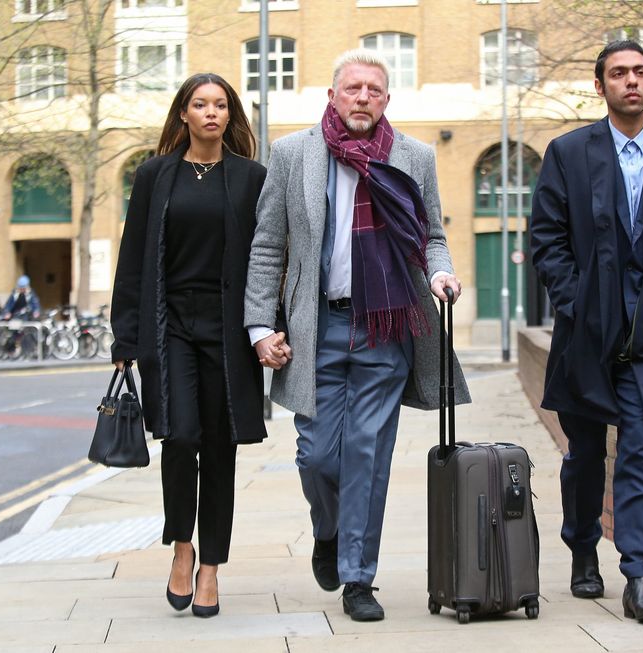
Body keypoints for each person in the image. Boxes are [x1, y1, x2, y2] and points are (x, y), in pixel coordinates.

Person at [244, 49, 469, 622]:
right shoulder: (293, 153)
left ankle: (358, 579)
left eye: (374, 89)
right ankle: (329, 531)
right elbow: (268, 245)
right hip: (316, 326)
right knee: (318, 457)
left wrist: (440, 270)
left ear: (387, 100)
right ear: (333, 96)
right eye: (353, 89)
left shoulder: (413, 157)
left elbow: (433, 234)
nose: (363, 97)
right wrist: (260, 326)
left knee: (367, 455)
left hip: (384, 325)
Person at [529, 40, 643, 622]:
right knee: (585, 453)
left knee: (641, 450)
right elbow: (547, 239)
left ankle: (639, 576)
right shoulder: (568, 153)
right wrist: (575, 303)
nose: (630, 81)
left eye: (639, 72)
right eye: (618, 74)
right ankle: (583, 547)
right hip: (587, 333)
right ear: (601, 85)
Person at [110, 73, 267, 619]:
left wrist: (268, 328)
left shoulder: (251, 178)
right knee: (178, 439)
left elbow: (267, 260)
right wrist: (124, 334)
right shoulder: (156, 175)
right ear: (183, 113)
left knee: (220, 448)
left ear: (230, 115)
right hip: (169, 323)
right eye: (200, 104)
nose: (210, 113)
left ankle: (211, 568)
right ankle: (182, 548)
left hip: (227, 330)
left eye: (220, 105)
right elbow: (132, 258)